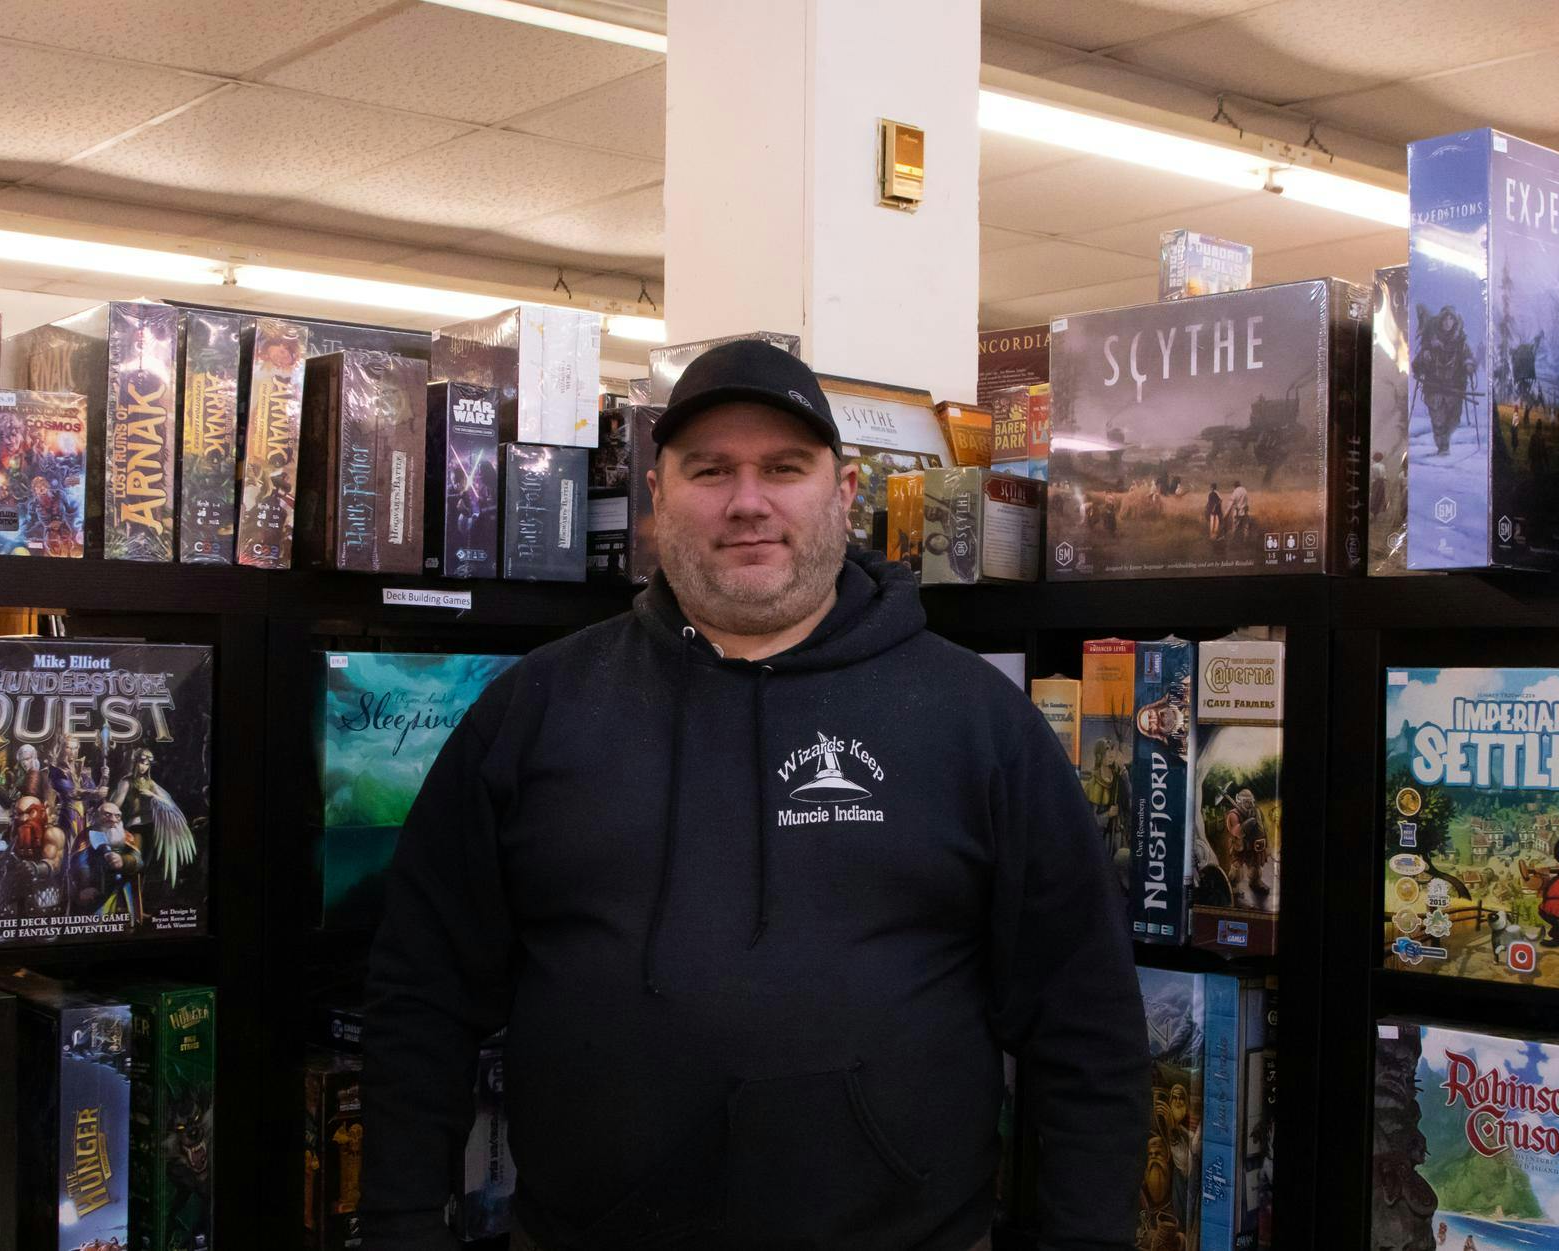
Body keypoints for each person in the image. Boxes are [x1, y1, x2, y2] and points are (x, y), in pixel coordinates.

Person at [364, 339, 1147, 1251]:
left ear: (843, 491)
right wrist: (401, 1225)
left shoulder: (978, 721)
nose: (748, 501)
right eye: (710, 470)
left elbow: (1084, 1021)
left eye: (784, 467)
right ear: (659, 496)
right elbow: (421, 994)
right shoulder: (535, 710)